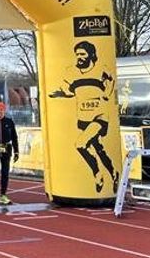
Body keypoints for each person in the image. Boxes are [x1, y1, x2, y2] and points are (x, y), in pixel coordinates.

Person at [49, 41, 118, 193]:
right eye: (77, 54)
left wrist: (107, 94)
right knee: (98, 148)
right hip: (83, 118)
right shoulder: (71, 72)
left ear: (91, 55)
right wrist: (60, 94)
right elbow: (70, 91)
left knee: (80, 144)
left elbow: (112, 80)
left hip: (99, 116)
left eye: (82, 54)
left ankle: (97, 174)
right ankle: (113, 173)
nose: (79, 57)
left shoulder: (101, 69)